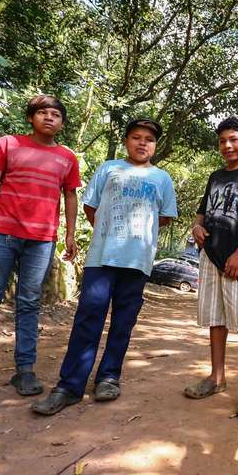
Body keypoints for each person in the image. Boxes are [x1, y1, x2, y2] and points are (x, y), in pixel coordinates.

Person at [32, 118, 177, 415]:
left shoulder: (162, 178)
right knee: (89, 316)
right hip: (102, 257)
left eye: (148, 139)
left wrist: (138, 235)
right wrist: (109, 233)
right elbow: (90, 206)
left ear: (155, 145)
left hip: (137, 262)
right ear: (127, 140)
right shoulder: (108, 168)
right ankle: (70, 385)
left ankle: (109, 377)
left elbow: (164, 216)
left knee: (124, 321)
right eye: (136, 137)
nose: (142, 143)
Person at [0, 95, 81, 401]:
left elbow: (71, 196)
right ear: (31, 118)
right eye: (42, 113)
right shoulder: (9, 144)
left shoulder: (67, 158)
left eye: (56, 115)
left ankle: (24, 370)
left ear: (61, 123)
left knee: (29, 302)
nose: (49, 118)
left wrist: (70, 234)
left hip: (42, 239)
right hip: (1, 232)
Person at [183, 117, 238, 418]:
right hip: (210, 256)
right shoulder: (215, 177)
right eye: (222, 141)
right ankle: (216, 378)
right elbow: (201, 215)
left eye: (233, 139)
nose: (227, 145)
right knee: (216, 318)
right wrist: (196, 228)